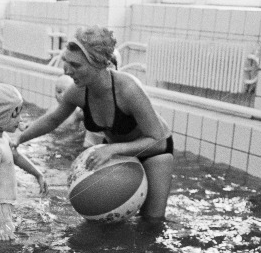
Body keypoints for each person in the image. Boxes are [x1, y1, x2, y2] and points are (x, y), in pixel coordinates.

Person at [12, 26, 174, 222]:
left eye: (76, 65)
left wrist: (112, 149)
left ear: (98, 64)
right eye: (66, 62)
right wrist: (19, 138)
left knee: (151, 221)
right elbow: (53, 119)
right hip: (115, 150)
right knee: (107, 220)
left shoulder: (128, 89)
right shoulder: (78, 91)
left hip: (153, 151)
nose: (66, 70)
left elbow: (158, 141)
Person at [0, 84, 48, 241]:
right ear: (0, 117)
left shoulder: (2, 136)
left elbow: (15, 156)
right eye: (15, 115)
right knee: (9, 247)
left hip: (0, 209)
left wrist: (37, 174)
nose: (20, 119)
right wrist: (1, 225)